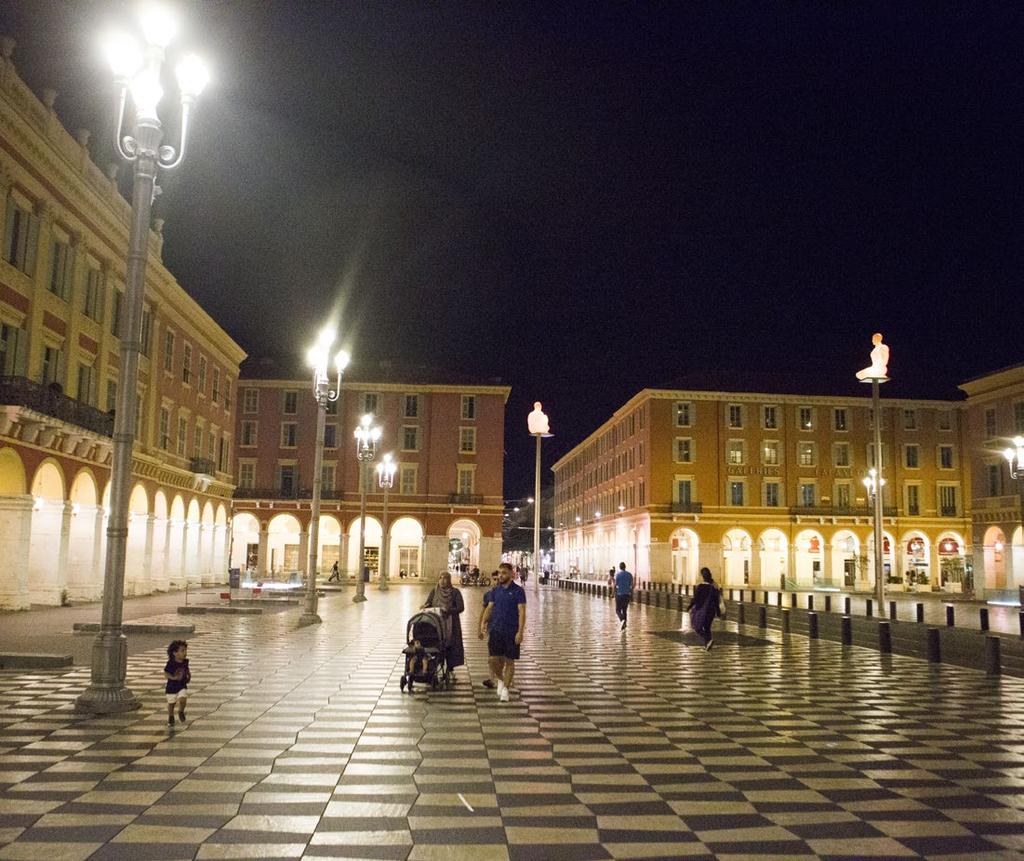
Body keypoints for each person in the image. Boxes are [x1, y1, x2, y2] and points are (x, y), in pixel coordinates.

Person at [479, 561, 526, 702]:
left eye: (504, 573)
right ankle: (500, 678)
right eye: (499, 573)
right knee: (493, 659)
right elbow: (489, 607)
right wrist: (483, 622)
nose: (500, 575)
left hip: (511, 631)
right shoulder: (495, 591)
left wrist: (520, 631)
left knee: (509, 661)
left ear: (511, 574)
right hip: (496, 630)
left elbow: (522, 612)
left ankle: (505, 689)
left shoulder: (518, 591)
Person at [423, 571, 466, 674]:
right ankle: (437, 662)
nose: (442, 581)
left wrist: (449, 610)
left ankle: (450, 666)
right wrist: (424, 607)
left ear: (449, 580)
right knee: (438, 643)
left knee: (450, 644)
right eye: (440, 578)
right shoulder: (434, 591)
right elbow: (428, 604)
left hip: (451, 623)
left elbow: (461, 607)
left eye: (445, 578)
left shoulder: (455, 592)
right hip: (436, 623)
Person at [688, 567, 722, 650]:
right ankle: (707, 645)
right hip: (711, 610)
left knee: (697, 628)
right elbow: (716, 600)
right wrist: (718, 611)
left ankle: (708, 640)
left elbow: (695, 599)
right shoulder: (714, 586)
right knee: (707, 627)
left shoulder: (700, 586)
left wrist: (689, 606)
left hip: (702, 610)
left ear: (702, 576)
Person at [164, 639, 190, 727]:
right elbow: (166, 673)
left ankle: (181, 711)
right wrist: (173, 678)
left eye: (185, 650)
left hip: (182, 685)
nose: (185, 652)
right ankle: (171, 716)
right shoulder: (171, 663)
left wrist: (188, 675)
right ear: (175, 653)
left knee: (183, 699)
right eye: (182, 650)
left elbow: (186, 670)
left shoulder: (185, 662)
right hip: (171, 687)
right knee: (171, 703)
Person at [614, 561, 634, 631]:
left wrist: (614, 593)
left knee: (617, 610)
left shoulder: (618, 575)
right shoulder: (629, 575)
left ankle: (622, 619)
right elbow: (632, 585)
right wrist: (631, 593)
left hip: (620, 594)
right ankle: (624, 624)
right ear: (625, 567)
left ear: (620, 567)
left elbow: (615, 585)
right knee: (624, 610)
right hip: (627, 595)